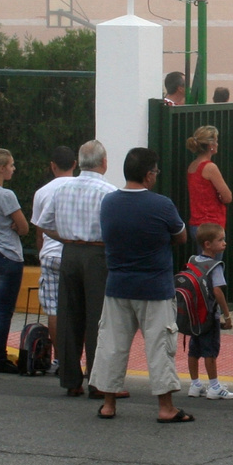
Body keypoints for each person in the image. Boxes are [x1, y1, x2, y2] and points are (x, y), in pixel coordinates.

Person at [90, 147, 190, 422]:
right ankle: (165, 407)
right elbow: (180, 236)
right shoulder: (162, 205)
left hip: (118, 285)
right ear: (148, 175)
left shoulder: (109, 202)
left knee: (112, 344)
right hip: (154, 287)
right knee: (160, 346)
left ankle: (108, 403)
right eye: (155, 172)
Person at [36, 140, 119, 397]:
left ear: (80, 162)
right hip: (97, 253)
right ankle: (97, 381)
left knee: (69, 315)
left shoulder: (63, 189)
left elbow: (45, 223)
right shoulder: (109, 191)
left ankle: (71, 380)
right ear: (103, 162)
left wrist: (67, 238)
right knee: (97, 319)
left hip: (69, 251)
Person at [30, 146, 77, 371]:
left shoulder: (42, 192)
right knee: (79, 309)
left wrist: (42, 255)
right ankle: (78, 359)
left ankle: (60, 360)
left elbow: (40, 231)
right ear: (75, 164)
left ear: (52, 166)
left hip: (50, 254)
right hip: (75, 254)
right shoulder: (79, 187)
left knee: (54, 309)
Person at [0, 148, 29, 373]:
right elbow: (23, 227)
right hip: (8, 255)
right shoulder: (5, 195)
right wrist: (15, 226)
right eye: (11, 165)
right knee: (4, 310)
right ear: (2, 169)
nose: (13, 168)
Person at [187, 223, 233, 400]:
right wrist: (227, 314)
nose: (224, 243)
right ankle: (214, 386)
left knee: (194, 350)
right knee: (210, 351)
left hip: (194, 315)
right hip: (209, 315)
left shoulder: (193, 260)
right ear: (207, 244)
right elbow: (217, 291)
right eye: (220, 240)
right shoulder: (215, 266)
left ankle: (195, 384)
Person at [186, 126, 232, 255]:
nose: (217, 144)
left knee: (202, 266)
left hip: (196, 223)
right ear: (211, 145)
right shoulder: (210, 167)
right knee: (212, 268)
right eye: (216, 141)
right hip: (212, 225)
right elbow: (227, 196)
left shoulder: (192, 166)